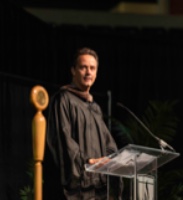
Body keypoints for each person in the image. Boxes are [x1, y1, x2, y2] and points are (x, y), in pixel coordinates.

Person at [46, 47, 123, 200]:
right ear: (73, 70)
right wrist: (88, 162)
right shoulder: (63, 100)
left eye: (92, 68)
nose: (89, 72)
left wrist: (113, 159)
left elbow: (108, 143)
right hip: (77, 191)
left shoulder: (94, 107)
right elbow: (63, 141)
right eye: (83, 67)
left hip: (98, 191)